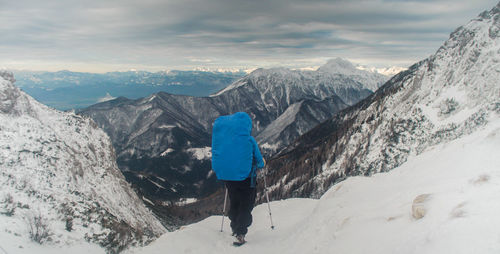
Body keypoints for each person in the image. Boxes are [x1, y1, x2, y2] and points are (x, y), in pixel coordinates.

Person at [211, 112, 265, 245]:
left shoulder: (223, 141)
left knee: (234, 201)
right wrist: (262, 163)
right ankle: (240, 232)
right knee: (246, 205)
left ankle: (234, 225)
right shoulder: (249, 140)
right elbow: (260, 161)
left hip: (228, 179)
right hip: (247, 179)